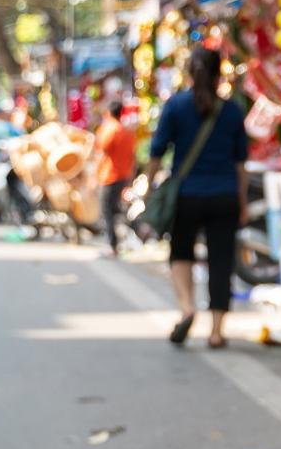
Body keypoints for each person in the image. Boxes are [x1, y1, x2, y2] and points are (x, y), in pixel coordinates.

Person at [145, 48, 248, 349]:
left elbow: (156, 151)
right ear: (220, 75)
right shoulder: (232, 110)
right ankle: (216, 331)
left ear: (190, 73)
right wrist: (241, 201)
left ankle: (187, 308)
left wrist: (149, 187)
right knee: (220, 259)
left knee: (181, 253)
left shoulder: (175, 106)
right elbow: (240, 164)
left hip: (186, 196)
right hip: (225, 195)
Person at [93, 101, 136, 256]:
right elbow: (133, 156)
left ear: (108, 113)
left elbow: (100, 152)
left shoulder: (108, 130)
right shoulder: (128, 132)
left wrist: (95, 174)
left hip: (109, 176)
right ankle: (120, 240)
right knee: (117, 209)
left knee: (107, 211)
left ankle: (113, 245)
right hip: (124, 175)